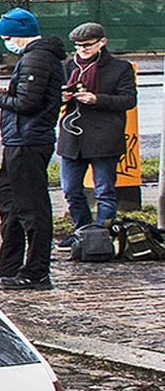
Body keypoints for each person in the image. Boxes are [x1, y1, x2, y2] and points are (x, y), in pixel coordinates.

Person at [0, 8, 63, 290]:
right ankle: (9, 266)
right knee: (10, 205)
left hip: (28, 141)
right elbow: (28, 93)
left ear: (19, 35)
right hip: (18, 140)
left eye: (7, 37)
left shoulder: (37, 57)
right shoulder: (33, 58)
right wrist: (5, 89)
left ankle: (36, 271)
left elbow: (28, 104)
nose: (6, 43)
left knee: (31, 208)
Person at [55, 22, 137, 237]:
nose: (82, 50)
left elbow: (128, 100)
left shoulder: (120, 68)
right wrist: (61, 98)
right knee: (71, 190)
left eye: (88, 45)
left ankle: (103, 235)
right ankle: (82, 232)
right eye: (78, 46)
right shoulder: (67, 67)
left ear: (102, 43)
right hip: (72, 137)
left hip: (104, 137)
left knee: (104, 191)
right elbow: (51, 96)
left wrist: (97, 99)